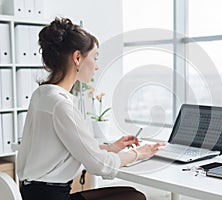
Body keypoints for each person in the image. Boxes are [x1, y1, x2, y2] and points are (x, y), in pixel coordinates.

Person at [17, 17, 164, 200]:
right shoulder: (61, 104)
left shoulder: (42, 95)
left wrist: (112, 147)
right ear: (77, 57)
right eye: (95, 57)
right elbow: (100, 166)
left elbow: (74, 147)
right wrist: (139, 153)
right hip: (51, 197)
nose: (97, 66)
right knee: (135, 198)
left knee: (132, 194)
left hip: (35, 193)